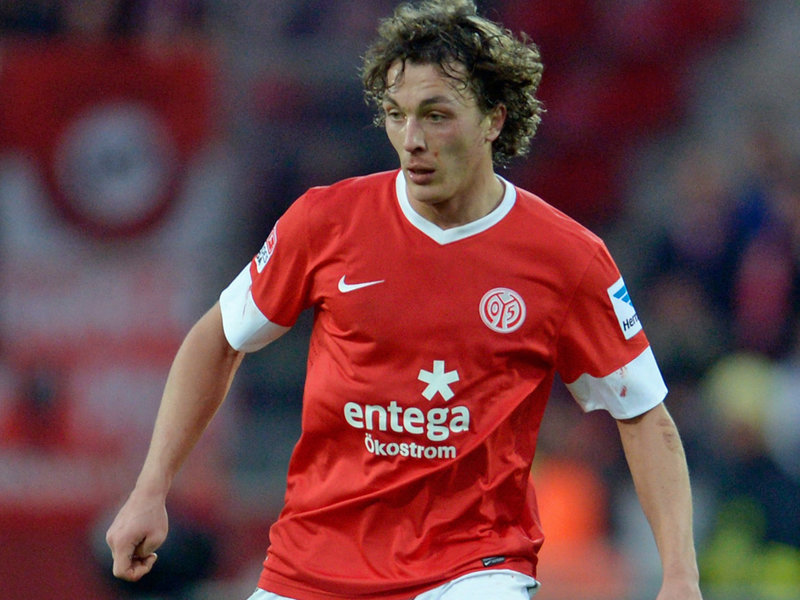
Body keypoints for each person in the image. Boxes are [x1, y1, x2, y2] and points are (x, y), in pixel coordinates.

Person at [106, 1, 703, 599]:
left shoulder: (567, 257)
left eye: (436, 116)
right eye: (397, 115)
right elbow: (218, 340)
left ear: (493, 119)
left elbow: (643, 415)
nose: (412, 140)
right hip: (313, 567)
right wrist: (150, 490)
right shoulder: (325, 221)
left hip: (473, 570)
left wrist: (679, 576)